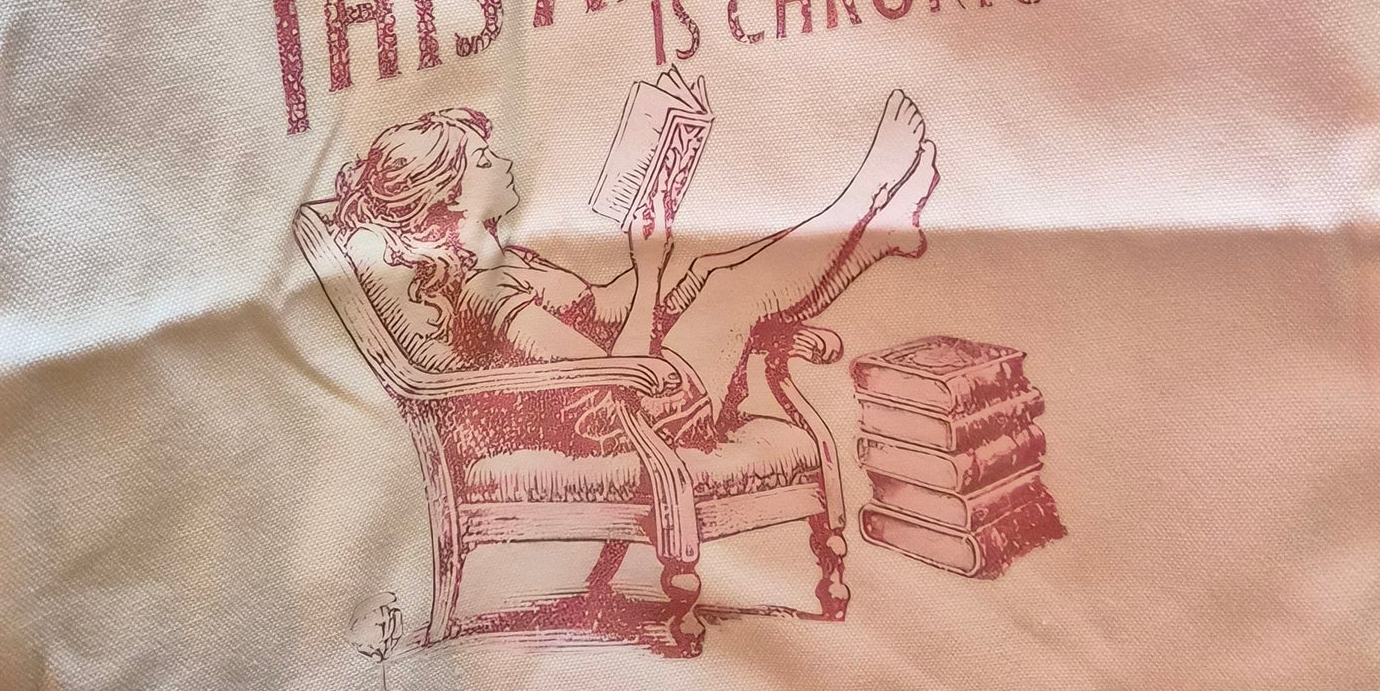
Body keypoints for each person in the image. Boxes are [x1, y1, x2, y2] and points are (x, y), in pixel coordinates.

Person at [330, 91, 940, 443]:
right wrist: (648, 273)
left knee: (711, 269)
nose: (505, 161)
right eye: (485, 160)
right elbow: (609, 383)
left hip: (638, 388)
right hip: (628, 425)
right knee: (732, 290)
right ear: (450, 196)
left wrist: (664, 259)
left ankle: (875, 235)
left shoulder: (507, 259)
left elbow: (599, 307)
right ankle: (860, 204)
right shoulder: (488, 296)